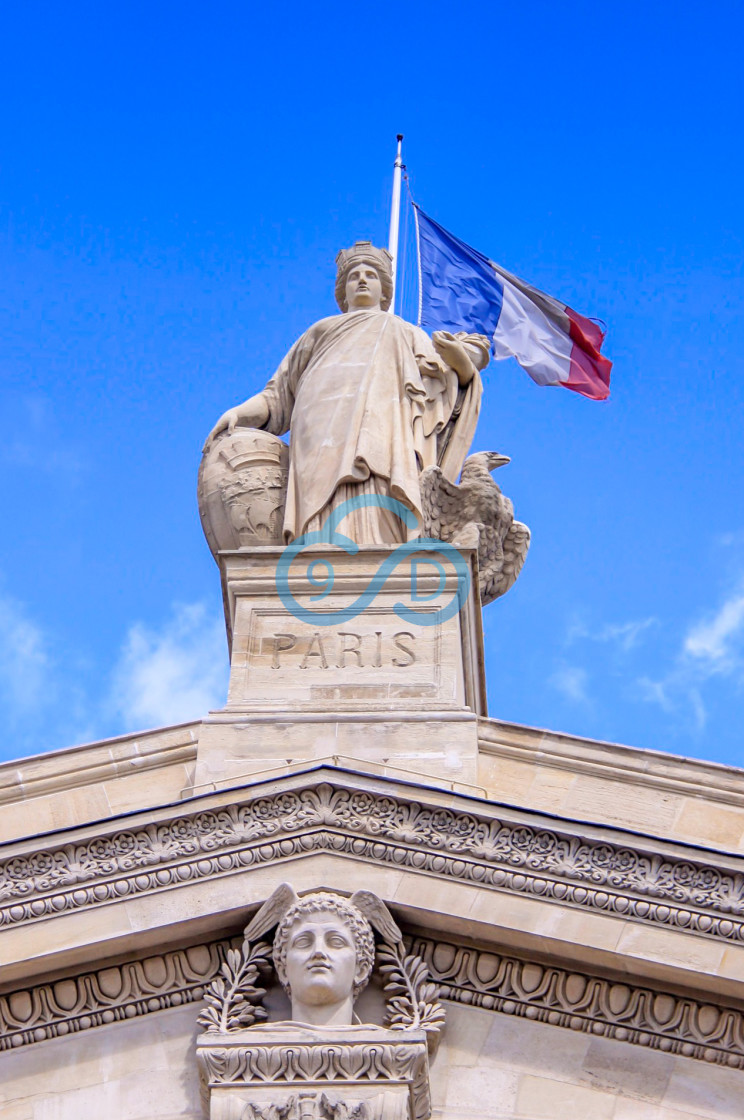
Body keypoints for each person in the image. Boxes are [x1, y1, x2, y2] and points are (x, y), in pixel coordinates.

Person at [206, 242, 489, 545]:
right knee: (319, 503)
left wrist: (461, 355)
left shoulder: (403, 330)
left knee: (376, 476)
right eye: (354, 276)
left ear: (385, 292)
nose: (362, 280)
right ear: (343, 292)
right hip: (318, 430)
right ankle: (317, 546)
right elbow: (277, 396)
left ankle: (381, 547)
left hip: (381, 422)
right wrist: (239, 413)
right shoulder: (320, 331)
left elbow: (450, 376)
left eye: (371, 275)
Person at [271, 892, 375, 1027]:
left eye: (336, 942)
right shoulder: (253, 1039)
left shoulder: (386, 1042)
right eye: (303, 942)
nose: (318, 951)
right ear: (283, 971)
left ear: (361, 969)